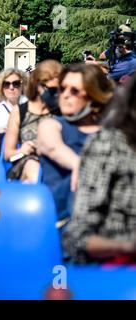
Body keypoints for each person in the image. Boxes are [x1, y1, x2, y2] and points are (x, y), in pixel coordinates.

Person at [62, 74, 136, 264]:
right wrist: (128, 246)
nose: (65, 95)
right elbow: (79, 235)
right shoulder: (109, 144)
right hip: (122, 269)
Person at [37, 64, 114, 226]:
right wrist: (82, 166)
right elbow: (54, 148)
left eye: (74, 91)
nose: (64, 95)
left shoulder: (112, 131)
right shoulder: (51, 125)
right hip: (62, 214)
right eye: (62, 89)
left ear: (94, 95)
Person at [4, 60, 63, 183]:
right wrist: (23, 150)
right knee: (34, 167)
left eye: (60, 90)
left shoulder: (61, 111)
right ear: (38, 86)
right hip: (27, 163)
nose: (58, 94)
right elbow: (7, 154)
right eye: (52, 90)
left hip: (56, 163)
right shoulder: (20, 112)